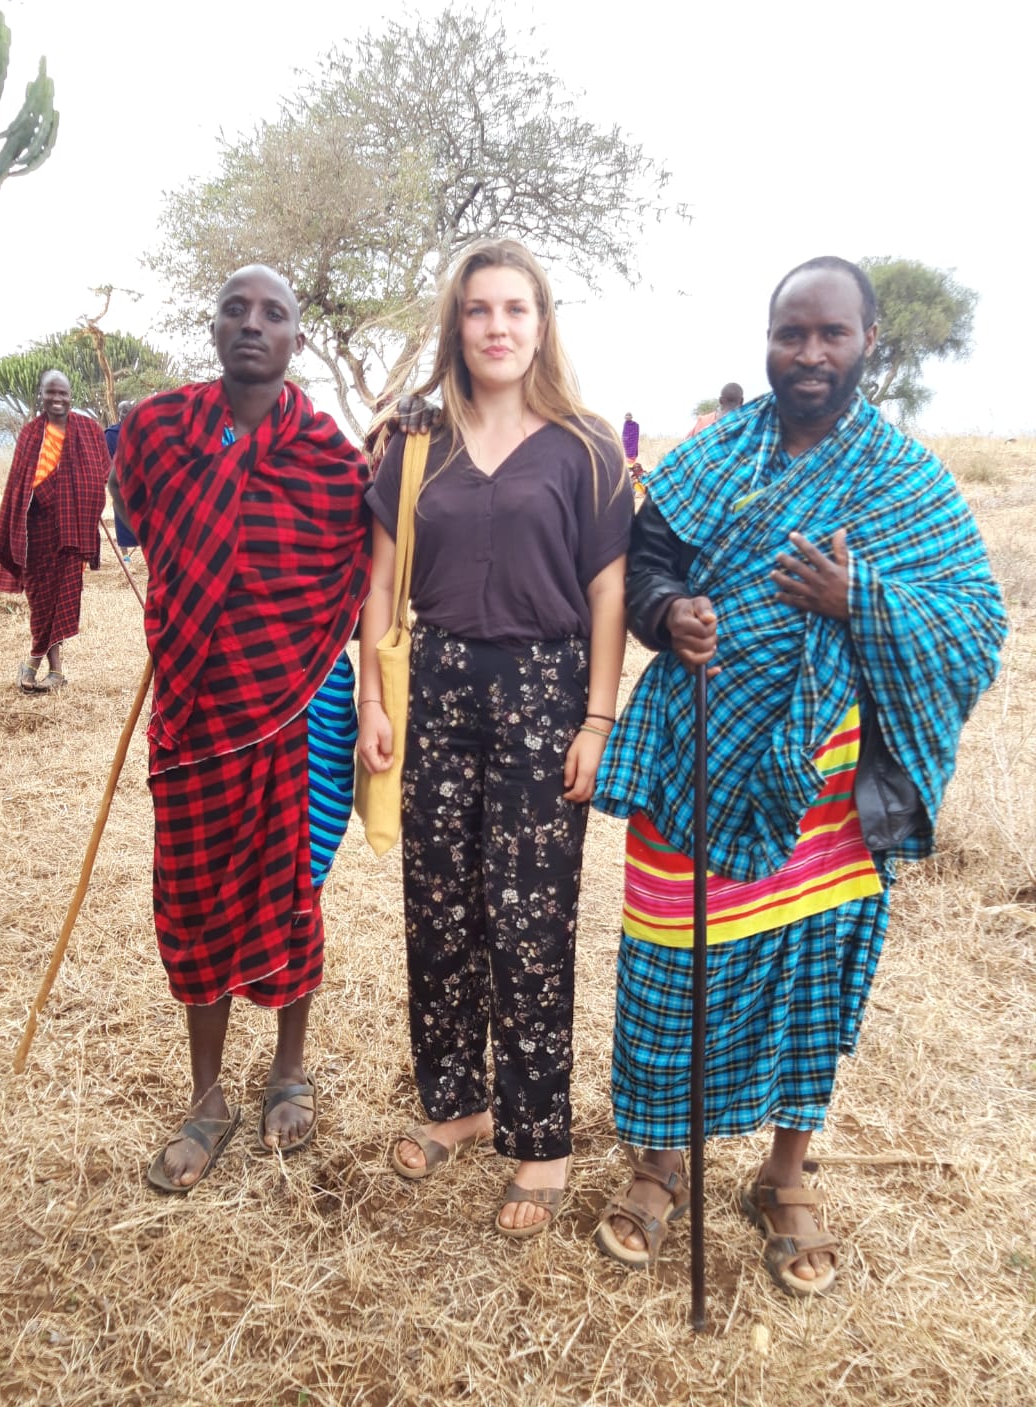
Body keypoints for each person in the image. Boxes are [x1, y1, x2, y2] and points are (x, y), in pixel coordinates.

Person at [592, 256, 1005, 1294]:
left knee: (807, 975)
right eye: (791, 334)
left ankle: (784, 1175)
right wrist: (666, 614)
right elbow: (649, 563)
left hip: (829, 791)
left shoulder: (908, 480)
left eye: (831, 334)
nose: (809, 354)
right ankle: (661, 1165)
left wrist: (856, 598)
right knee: (673, 969)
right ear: (766, 342)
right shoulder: (714, 456)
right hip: (696, 759)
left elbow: (975, 630)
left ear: (872, 342)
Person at [359, 239, 630, 1239]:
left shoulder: (588, 449)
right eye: (479, 310)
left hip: (546, 692)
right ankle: (458, 1104)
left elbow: (608, 594)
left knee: (527, 921)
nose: (498, 327)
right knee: (436, 912)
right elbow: (381, 582)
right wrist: (375, 703)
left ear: (543, 322)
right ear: (457, 326)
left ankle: (541, 1137)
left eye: (517, 309)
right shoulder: (414, 446)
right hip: (432, 689)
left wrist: (597, 719)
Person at [111, 265, 371, 1191]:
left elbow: (364, 563)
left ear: (298, 338)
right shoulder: (154, 429)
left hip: (295, 704)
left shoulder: (334, 459)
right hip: (191, 711)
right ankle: (209, 1095)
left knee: (291, 886)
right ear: (213, 326)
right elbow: (138, 523)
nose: (252, 325)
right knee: (193, 900)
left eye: (274, 314)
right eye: (235, 309)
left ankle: (288, 1069)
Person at [0, 369, 109, 693]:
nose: (57, 399)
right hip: (38, 531)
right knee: (41, 600)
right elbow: (20, 484)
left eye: (63, 394)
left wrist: (85, 499)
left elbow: (102, 471)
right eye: (50, 393)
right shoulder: (30, 434)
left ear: (71, 396)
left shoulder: (89, 430)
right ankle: (41, 665)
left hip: (73, 531)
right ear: (40, 395)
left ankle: (46, 668)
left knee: (63, 598)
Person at [104, 400, 141, 564]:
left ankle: (148, 550)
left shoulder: (140, 430)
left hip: (140, 481)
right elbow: (107, 459)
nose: (125, 413)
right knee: (121, 516)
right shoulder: (111, 434)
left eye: (128, 410)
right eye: (122, 411)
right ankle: (125, 556)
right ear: (118, 413)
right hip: (119, 481)